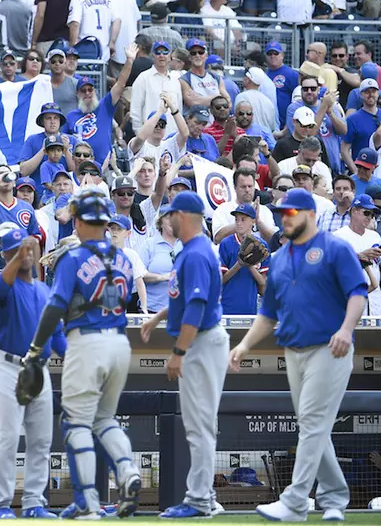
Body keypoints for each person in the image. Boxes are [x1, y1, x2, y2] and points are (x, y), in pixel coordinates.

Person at [229, 188, 367, 522]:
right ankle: (334, 497)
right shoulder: (280, 257)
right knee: (313, 425)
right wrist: (245, 344)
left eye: (290, 213)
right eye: (280, 214)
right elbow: (269, 313)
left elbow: (358, 292)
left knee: (312, 423)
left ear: (308, 214)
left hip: (329, 347)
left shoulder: (334, 248)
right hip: (294, 350)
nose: (284, 219)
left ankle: (295, 500)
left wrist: (347, 329)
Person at [19, 188, 138, 518]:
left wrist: (36, 346)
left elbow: (56, 305)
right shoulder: (125, 258)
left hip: (87, 341)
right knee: (105, 419)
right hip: (119, 341)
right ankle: (128, 472)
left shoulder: (73, 257)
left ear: (83, 221)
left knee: (76, 424)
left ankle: (88, 502)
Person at [138, 192, 228, 517]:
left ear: (185, 216)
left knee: (200, 426)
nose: (168, 219)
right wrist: (158, 317)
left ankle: (200, 499)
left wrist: (179, 352)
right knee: (199, 424)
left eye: (172, 213)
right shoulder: (189, 252)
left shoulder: (198, 253)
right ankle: (204, 496)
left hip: (201, 341)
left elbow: (197, 307)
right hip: (199, 341)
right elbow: (181, 299)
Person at [0, 229, 63, 518]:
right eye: (16, 250)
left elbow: (57, 336)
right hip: (8, 366)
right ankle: (1, 505)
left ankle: (33, 503)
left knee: (41, 441)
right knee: (7, 439)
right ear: (6, 254)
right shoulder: (4, 284)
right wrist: (18, 257)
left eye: (28, 248)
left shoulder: (45, 291)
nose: (24, 253)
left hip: (38, 370)